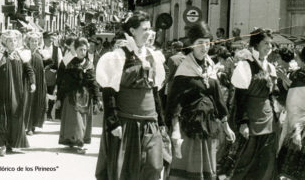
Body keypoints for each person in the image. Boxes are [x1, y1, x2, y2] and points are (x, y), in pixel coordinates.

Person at [95, 11, 166, 180]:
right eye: (144, 29)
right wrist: (113, 123)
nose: (149, 33)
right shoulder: (118, 56)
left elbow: (155, 90)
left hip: (150, 121)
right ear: (132, 31)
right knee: (125, 171)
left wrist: (161, 121)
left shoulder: (153, 56)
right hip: (126, 122)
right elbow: (109, 91)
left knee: (153, 167)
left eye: (150, 29)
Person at [165, 22, 235, 180]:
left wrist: (226, 126)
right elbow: (174, 104)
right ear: (192, 45)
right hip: (188, 130)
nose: (204, 47)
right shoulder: (184, 70)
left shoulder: (210, 68)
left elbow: (218, 100)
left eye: (207, 43)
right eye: (200, 43)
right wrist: (175, 131)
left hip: (208, 128)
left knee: (206, 172)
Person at [228, 28, 278, 180]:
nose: (269, 47)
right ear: (256, 44)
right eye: (265, 43)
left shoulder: (270, 67)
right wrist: (243, 122)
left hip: (269, 120)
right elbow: (239, 97)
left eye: (271, 44)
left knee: (266, 161)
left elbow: (272, 95)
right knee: (245, 161)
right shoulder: (246, 65)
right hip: (251, 118)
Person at [0, 29, 36, 156]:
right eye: (10, 40)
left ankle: (13, 143)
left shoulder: (22, 55)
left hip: (17, 91)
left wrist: (32, 82)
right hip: (1, 92)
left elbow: (29, 70)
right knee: (2, 116)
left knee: (15, 115)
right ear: (5, 42)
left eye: (15, 40)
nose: (13, 43)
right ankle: (2, 144)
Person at [57, 37, 100, 154]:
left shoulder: (89, 65)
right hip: (71, 95)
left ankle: (80, 141)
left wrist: (97, 99)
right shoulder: (70, 64)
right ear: (76, 50)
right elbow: (64, 83)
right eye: (80, 49)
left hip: (85, 96)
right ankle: (74, 141)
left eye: (85, 50)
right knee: (75, 119)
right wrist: (59, 98)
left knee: (82, 119)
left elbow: (93, 83)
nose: (83, 52)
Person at [277, 47, 305, 180]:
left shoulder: (298, 75)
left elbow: (293, 103)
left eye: (298, 58)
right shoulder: (298, 75)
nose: (297, 61)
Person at [24, 32, 47, 135]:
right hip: (27, 81)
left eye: (36, 41)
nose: (34, 43)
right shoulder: (25, 53)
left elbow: (50, 65)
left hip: (39, 82)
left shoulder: (41, 54)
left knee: (36, 103)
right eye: (32, 41)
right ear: (28, 42)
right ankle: (27, 126)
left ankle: (32, 125)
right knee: (27, 102)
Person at [41, 31, 63, 120]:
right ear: (44, 39)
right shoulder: (40, 48)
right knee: (42, 94)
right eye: (48, 38)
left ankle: (49, 113)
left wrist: (58, 74)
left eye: (52, 38)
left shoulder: (57, 49)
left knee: (51, 95)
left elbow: (60, 63)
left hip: (53, 76)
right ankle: (42, 113)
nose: (51, 40)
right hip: (42, 75)